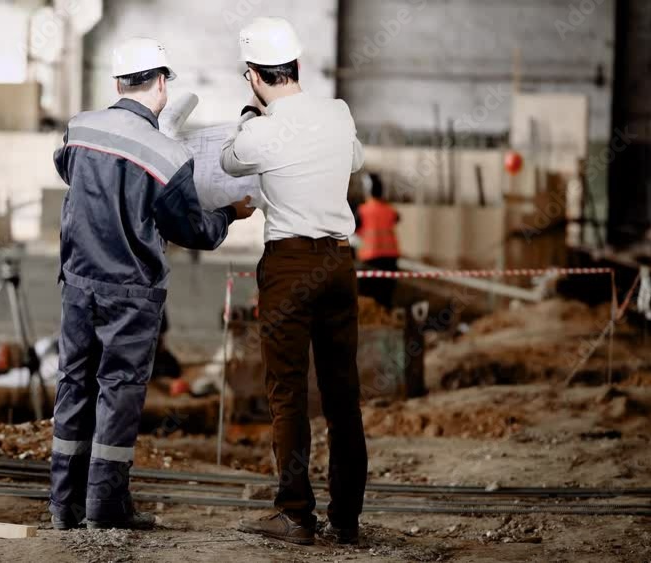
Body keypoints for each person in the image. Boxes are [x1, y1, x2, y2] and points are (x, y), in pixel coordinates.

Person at [50, 37, 254, 531]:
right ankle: (105, 508)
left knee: (74, 385)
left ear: (118, 83)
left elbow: (66, 170)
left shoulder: (79, 127)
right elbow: (195, 231)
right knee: (117, 392)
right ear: (162, 84)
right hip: (131, 294)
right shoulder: (167, 155)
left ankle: (63, 504)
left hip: (77, 283)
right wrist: (231, 212)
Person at [220, 17, 368, 545]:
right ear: (297, 66)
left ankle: (296, 514)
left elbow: (228, 160)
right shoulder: (338, 112)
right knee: (342, 395)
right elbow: (354, 158)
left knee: (288, 395)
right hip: (339, 263)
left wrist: (248, 116)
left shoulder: (260, 128)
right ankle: (346, 519)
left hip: (289, 265)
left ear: (254, 77)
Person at [357, 173, 401, 308]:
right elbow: (397, 218)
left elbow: (353, 228)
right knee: (385, 298)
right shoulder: (389, 210)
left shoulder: (363, 211)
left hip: (371, 260)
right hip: (390, 260)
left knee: (369, 298)